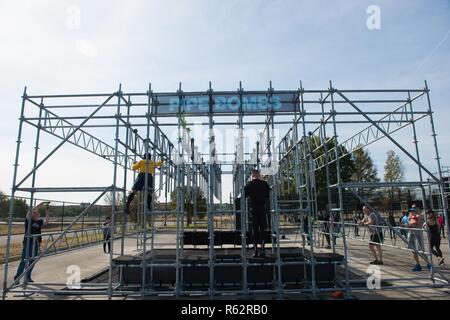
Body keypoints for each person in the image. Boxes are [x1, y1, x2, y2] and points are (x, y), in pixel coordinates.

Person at [14, 201, 50, 283]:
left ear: (38, 215)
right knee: (24, 260)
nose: (34, 215)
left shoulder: (39, 221)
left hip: (36, 243)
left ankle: (27, 277)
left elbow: (46, 222)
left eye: (35, 214)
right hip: (28, 243)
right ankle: (17, 278)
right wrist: (39, 205)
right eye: (33, 213)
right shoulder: (28, 220)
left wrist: (47, 214)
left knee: (32, 261)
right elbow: (29, 212)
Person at [244, 169, 270, 258]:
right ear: (259, 174)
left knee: (254, 230)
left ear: (252, 175)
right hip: (262, 209)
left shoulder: (249, 184)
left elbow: (244, 195)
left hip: (253, 209)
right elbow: (268, 196)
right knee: (262, 229)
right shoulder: (265, 184)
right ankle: (262, 249)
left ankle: (255, 250)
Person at [407, 207, 425, 271]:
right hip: (411, 234)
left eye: (414, 210)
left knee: (421, 251)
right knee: (413, 250)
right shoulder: (410, 217)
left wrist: (416, 219)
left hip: (418, 234)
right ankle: (417, 265)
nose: (412, 212)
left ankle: (429, 264)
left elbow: (413, 224)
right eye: (411, 210)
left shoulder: (421, 216)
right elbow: (409, 224)